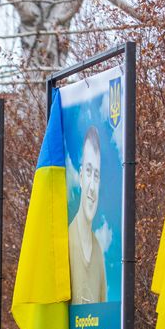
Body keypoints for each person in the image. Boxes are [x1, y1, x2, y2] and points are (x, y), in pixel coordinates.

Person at [68, 127, 107, 303]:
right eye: (89, 172)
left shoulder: (98, 252)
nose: (92, 186)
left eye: (97, 176)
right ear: (81, 175)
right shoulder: (65, 240)